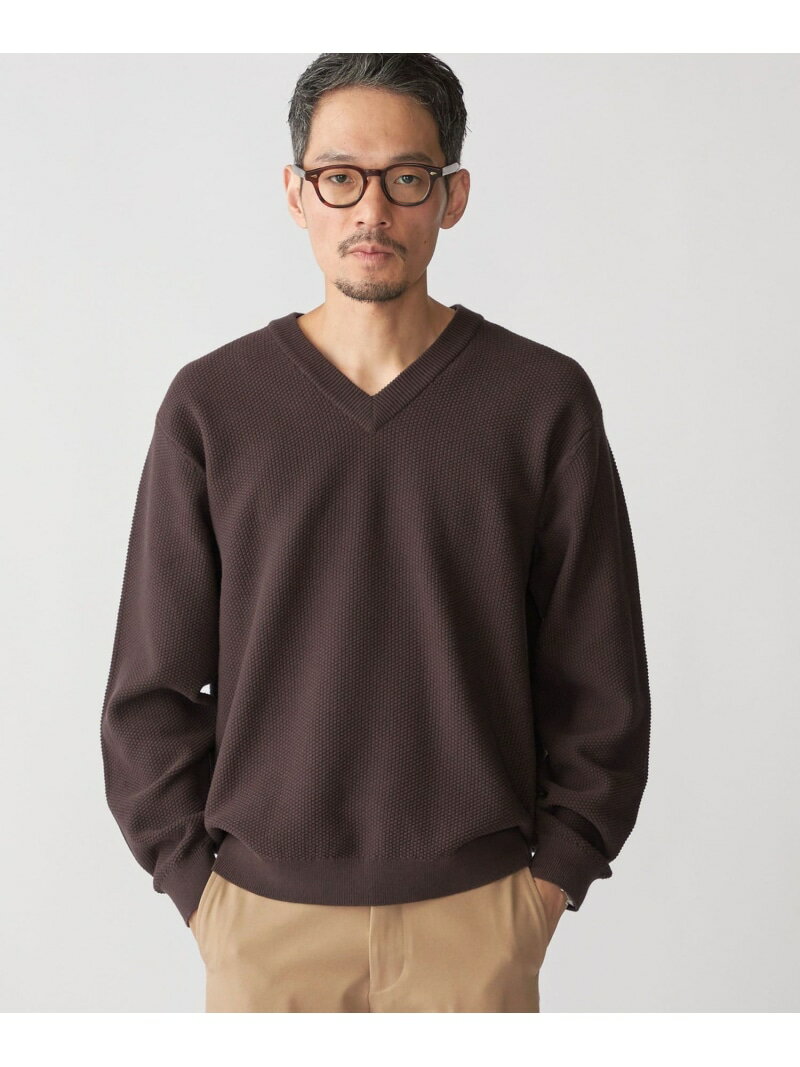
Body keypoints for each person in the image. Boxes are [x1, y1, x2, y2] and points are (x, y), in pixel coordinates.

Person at [101, 53, 651, 1013]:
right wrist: (201, 891)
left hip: (478, 918)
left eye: (406, 178)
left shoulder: (541, 401)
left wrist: (552, 878)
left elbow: (599, 673)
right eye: (339, 177)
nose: (371, 210)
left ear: (452, 196)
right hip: (262, 924)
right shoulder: (213, 406)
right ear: (296, 192)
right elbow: (149, 687)